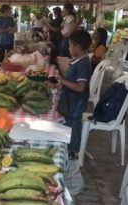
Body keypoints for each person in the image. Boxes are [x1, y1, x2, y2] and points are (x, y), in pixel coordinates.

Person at [56, 30, 92, 160]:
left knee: (73, 125)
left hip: (75, 103)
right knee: (70, 124)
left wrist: (63, 81)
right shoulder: (78, 61)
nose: (68, 48)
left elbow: (80, 87)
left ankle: (73, 152)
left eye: (70, 45)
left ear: (77, 47)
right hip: (70, 101)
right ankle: (69, 147)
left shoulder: (83, 64)